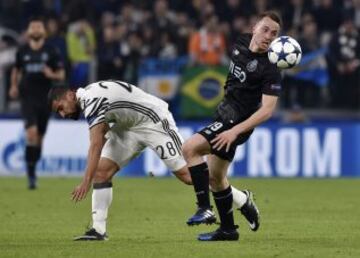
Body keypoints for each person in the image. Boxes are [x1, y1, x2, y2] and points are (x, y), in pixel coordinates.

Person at [48, 80, 194, 241]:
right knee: (101, 172)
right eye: (58, 112)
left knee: (187, 175)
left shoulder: (91, 101)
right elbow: (102, 130)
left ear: (70, 95)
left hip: (153, 121)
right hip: (128, 128)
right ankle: (98, 230)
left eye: (61, 108)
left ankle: (225, 193)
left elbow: (95, 144)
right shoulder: (88, 97)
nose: (63, 114)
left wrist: (85, 181)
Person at [182, 11, 282, 241]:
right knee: (216, 178)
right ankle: (230, 227)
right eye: (265, 29)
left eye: (274, 34)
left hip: (236, 123)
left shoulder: (272, 68)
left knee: (190, 149)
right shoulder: (241, 42)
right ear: (255, 26)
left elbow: (267, 110)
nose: (268, 36)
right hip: (223, 113)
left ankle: (204, 209)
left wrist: (234, 131)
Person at [8, 17, 65, 189]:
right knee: (31, 134)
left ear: (43, 32)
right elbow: (16, 70)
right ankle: (31, 176)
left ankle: (33, 166)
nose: (35, 29)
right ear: (28, 31)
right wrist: (13, 86)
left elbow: (61, 74)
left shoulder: (52, 51)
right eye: (32, 26)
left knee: (39, 139)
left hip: (45, 99)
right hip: (28, 98)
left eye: (38, 26)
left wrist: (51, 74)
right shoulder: (22, 51)